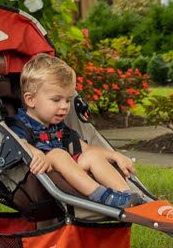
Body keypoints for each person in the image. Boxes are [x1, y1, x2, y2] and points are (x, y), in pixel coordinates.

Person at [10, 54, 144, 209]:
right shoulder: (21, 124)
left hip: (70, 172)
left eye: (67, 100)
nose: (65, 106)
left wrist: (115, 155)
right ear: (30, 99)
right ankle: (100, 195)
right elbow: (16, 142)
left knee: (92, 155)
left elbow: (86, 148)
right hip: (38, 177)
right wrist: (35, 152)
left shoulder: (59, 126)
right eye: (56, 100)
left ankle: (125, 195)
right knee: (57, 154)